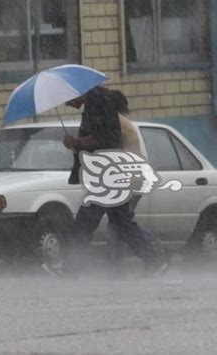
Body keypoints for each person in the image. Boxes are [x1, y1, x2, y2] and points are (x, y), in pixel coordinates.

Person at [53, 86, 168, 276]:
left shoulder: (97, 105)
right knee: (121, 223)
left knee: (85, 222)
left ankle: (71, 268)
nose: (67, 105)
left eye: (67, 99)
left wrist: (76, 142)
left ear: (77, 92)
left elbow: (104, 140)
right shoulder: (95, 104)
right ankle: (154, 259)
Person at [105, 89, 169, 269]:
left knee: (121, 224)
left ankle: (152, 254)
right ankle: (117, 266)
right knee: (118, 224)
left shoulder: (117, 123)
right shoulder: (118, 122)